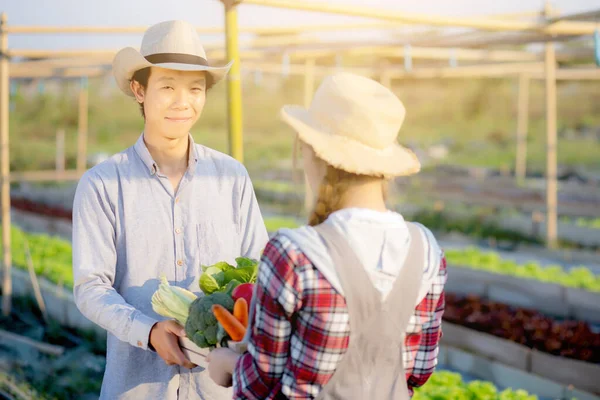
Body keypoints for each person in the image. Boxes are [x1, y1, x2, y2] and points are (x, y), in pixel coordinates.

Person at [207, 72, 447, 399]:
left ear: (314, 153)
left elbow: (261, 379)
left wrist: (227, 365)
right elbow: (418, 372)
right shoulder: (427, 251)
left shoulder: (293, 254)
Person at [72, 20, 269, 400]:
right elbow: (90, 288)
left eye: (195, 88)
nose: (183, 101)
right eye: (167, 87)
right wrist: (147, 330)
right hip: (139, 387)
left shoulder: (231, 177)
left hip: (220, 388)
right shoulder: (102, 184)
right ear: (139, 89)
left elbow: (259, 272)